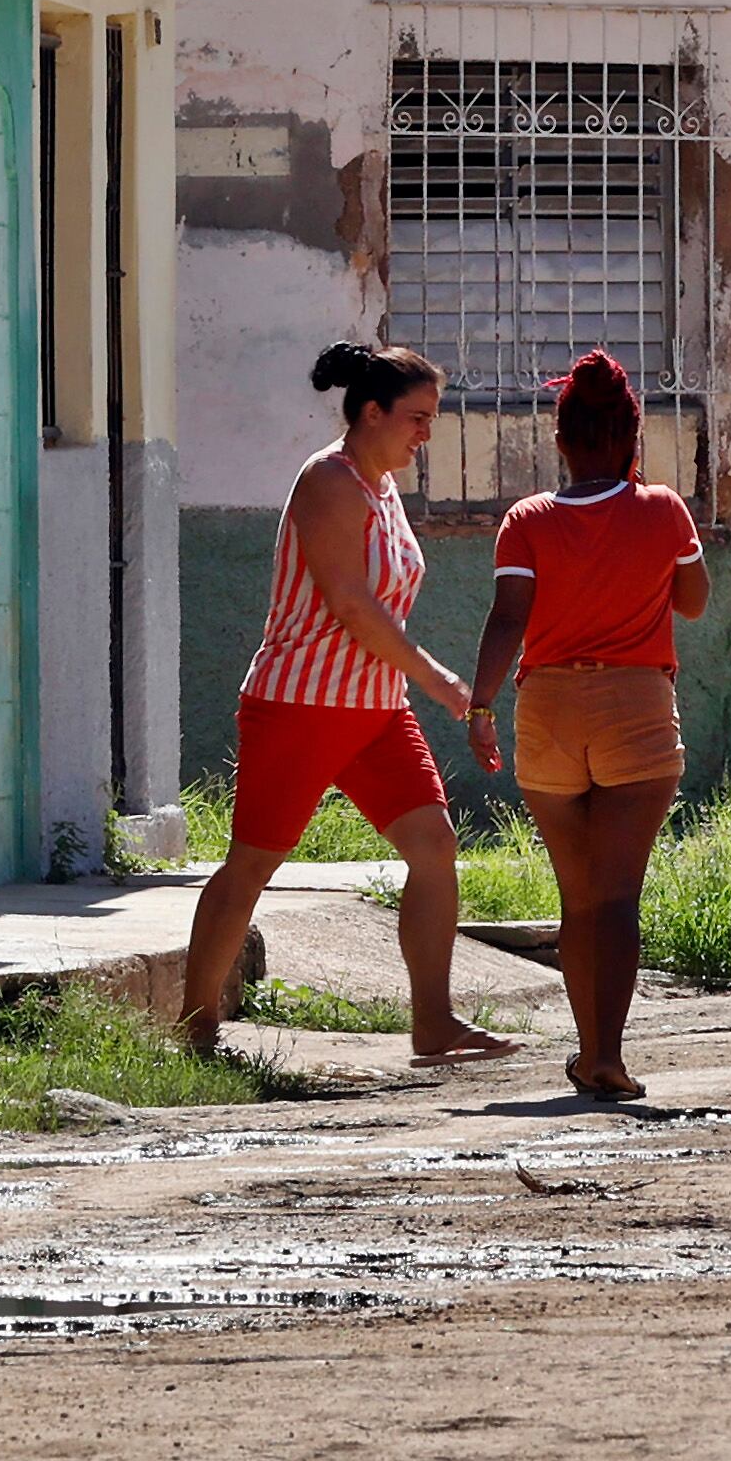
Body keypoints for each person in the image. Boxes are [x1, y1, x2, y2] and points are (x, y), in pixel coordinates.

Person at [180, 342, 511, 1064]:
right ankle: (195, 1029)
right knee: (251, 867)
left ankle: (434, 1023)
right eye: (417, 418)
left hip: (375, 709)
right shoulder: (327, 481)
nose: (427, 433)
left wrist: (414, 686)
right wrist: (441, 682)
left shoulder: (383, 486)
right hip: (300, 705)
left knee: (434, 848)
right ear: (371, 412)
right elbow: (353, 608)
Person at [468, 352, 710, 1102]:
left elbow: (509, 618)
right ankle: (605, 1056)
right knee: (618, 899)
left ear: (562, 442)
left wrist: (479, 709)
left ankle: (584, 1050)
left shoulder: (527, 522)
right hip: (636, 710)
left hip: (547, 712)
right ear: (631, 440)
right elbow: (694, 602)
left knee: (578, 900)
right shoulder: (665, 510)